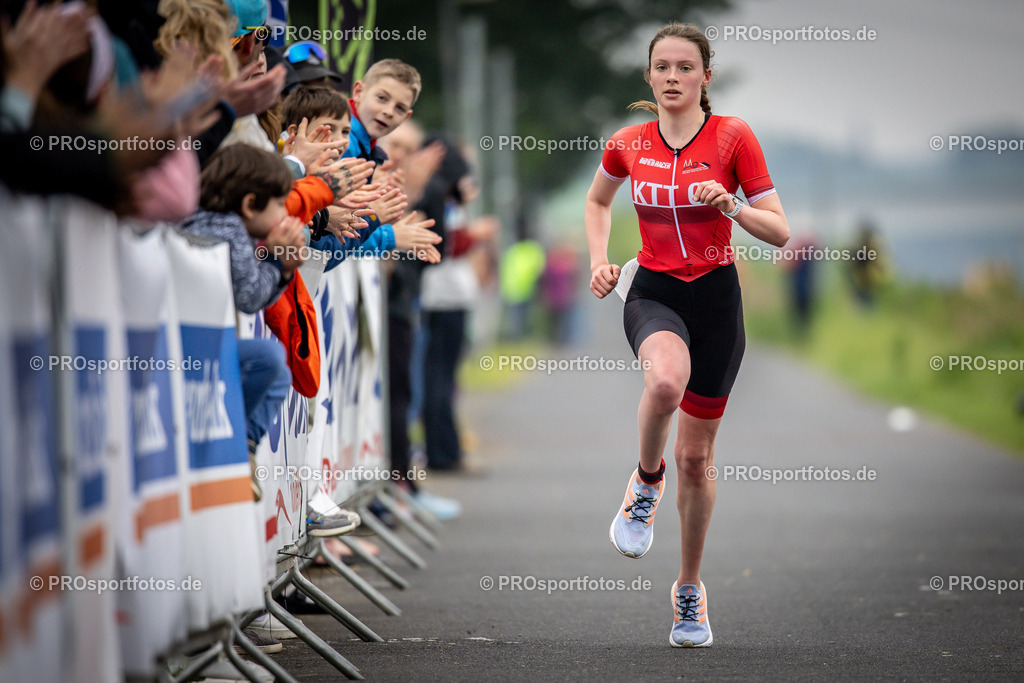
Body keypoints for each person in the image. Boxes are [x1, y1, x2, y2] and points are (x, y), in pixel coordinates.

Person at [584, 22, 789, 648]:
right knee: (666, 381)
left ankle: (689, 591)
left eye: (685, 67)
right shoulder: (627, 143)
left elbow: (780, 231)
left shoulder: (733, 138)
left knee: (696, 460)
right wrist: (600, 258)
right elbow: (597, 203)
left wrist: (731, 206)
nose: (673, 77)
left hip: (718, 302)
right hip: (655, 293)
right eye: (662, 67)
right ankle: (645, 481)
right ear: (648, 77)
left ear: (705, 76)